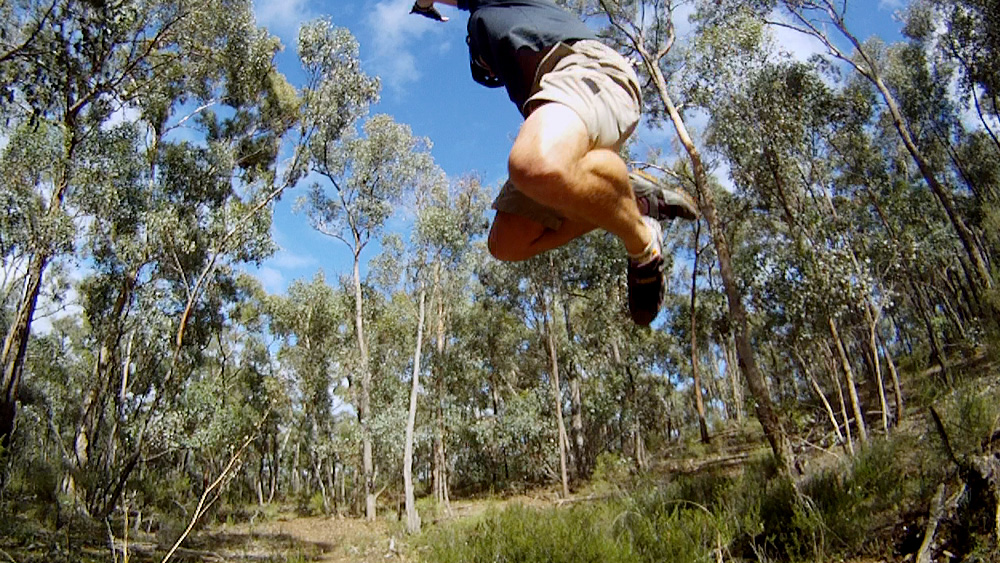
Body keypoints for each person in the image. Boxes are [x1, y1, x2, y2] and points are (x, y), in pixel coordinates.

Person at [410, 0, 698, 326]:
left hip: (586, 68)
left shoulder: (494, 6)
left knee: (534, 163)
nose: (492, 72)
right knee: (507, 243)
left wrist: (423, 5)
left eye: (486, 66)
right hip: (559, 99)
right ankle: (634, 201)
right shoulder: (520, 67)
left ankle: (642, 245)